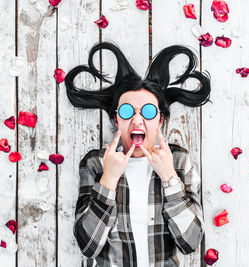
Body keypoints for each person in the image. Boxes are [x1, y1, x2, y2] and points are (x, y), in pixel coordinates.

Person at [65, 42, 211, 266]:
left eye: (148, 112)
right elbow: (88, 246)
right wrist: (109, 179)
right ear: (116, 120)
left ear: (160, 120)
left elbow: (190, 243)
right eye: (126, 111)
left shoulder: (179, 161)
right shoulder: (96, 162)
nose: (137, 120)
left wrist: (169, 178)